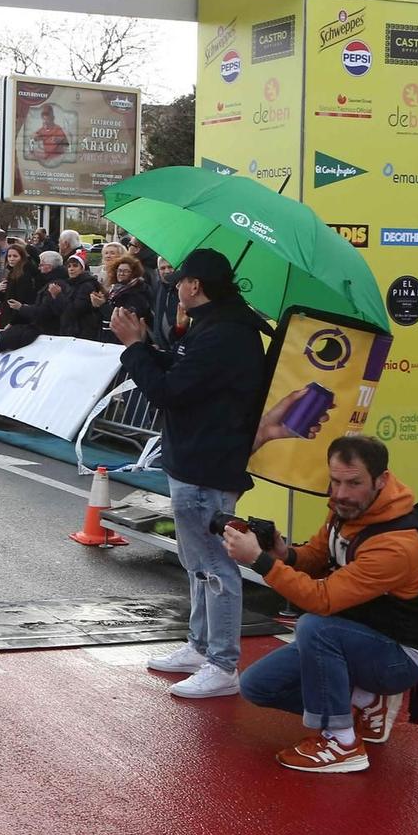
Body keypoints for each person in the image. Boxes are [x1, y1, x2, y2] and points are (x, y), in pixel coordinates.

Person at [109, 247, 269, 699]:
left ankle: (222, 663)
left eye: (180, 280)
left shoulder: (225, 334)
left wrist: (135, 348)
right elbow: (181, 373)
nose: (175, 287)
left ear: (195, 286)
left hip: (208, 463)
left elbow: (168, 391)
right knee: (198, 561)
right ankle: (201, 647)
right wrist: (148, 347)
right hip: (197, 457)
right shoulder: (219, 327)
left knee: (214, 564)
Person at [225, 434, 418, 773]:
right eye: (335, 481)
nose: (342, 493)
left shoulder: (396, 544)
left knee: (313, 626)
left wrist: (260, 562)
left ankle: (342, 742)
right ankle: (365, 699)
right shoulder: (346, 510)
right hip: (355, 636)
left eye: (354, 483)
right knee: (257, 686)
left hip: (399, 656)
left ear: (381, 480)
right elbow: (318, 556)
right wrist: (282, 552)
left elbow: (323, 601)